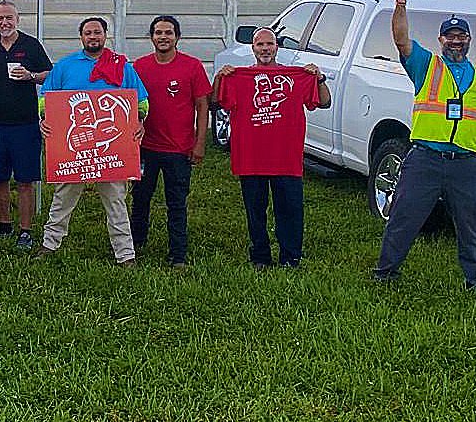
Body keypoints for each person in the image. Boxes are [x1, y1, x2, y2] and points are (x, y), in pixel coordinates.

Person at [372, 0, 476, 295]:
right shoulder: (426, 65)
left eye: (462, 36)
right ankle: (385, 273)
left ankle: (475, 282)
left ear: (470, 40)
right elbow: (401, 40)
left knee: (470, 226)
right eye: (451, 36)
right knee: (403, 218)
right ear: (441, 39)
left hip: (465, 164)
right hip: (424, 159)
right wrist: (400, 2)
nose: (456, 42)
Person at [35, 16, 149, 266]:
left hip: (112, 152)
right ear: (81, 37)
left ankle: (125, 254)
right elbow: (46, 99)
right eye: (88, 33)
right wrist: (45, 118)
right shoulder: (65, 67)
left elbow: (141, 102)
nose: (93, 37)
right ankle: (49, 244)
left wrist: (139, 121)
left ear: (105, 35)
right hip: (73, 153)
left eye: (97, 32)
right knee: (63, 198)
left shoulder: (123, 67)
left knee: (116, 201)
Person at [213, 28, 330, 269]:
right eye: (260, 45)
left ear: (277, 47)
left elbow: (324, 102)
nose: (265, 48)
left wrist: (318, 77)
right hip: (251, 158)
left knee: (290, 210)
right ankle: (260, 256)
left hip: (286, 158)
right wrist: (220, 78)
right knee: (255, 212)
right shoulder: (239, 77)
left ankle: (291, 257)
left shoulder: (297, 76)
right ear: (253, 48)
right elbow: (216, 102)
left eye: (269, 44)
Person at [130, 15, 212, 268]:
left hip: (179, 149)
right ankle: (135, 243)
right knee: (140, 198)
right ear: (151, 37)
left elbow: (202, 106)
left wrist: (199, 143)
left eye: (168, 32)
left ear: (177, 37)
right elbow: (129, 103)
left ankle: (178, 253)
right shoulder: (139, 67)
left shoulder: (192, 66)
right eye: (158, 32)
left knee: (176, 202)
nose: (163, 37)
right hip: (145, 148)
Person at [0, 0, 53, 250]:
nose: (5, 22)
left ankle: (26, 230)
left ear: (18, 19)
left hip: (27, 123)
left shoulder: (30, 45)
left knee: (25, 180)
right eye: (0, 18)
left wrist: (31, 75)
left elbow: (50, 74)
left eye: (9, 18)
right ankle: (4, 224)